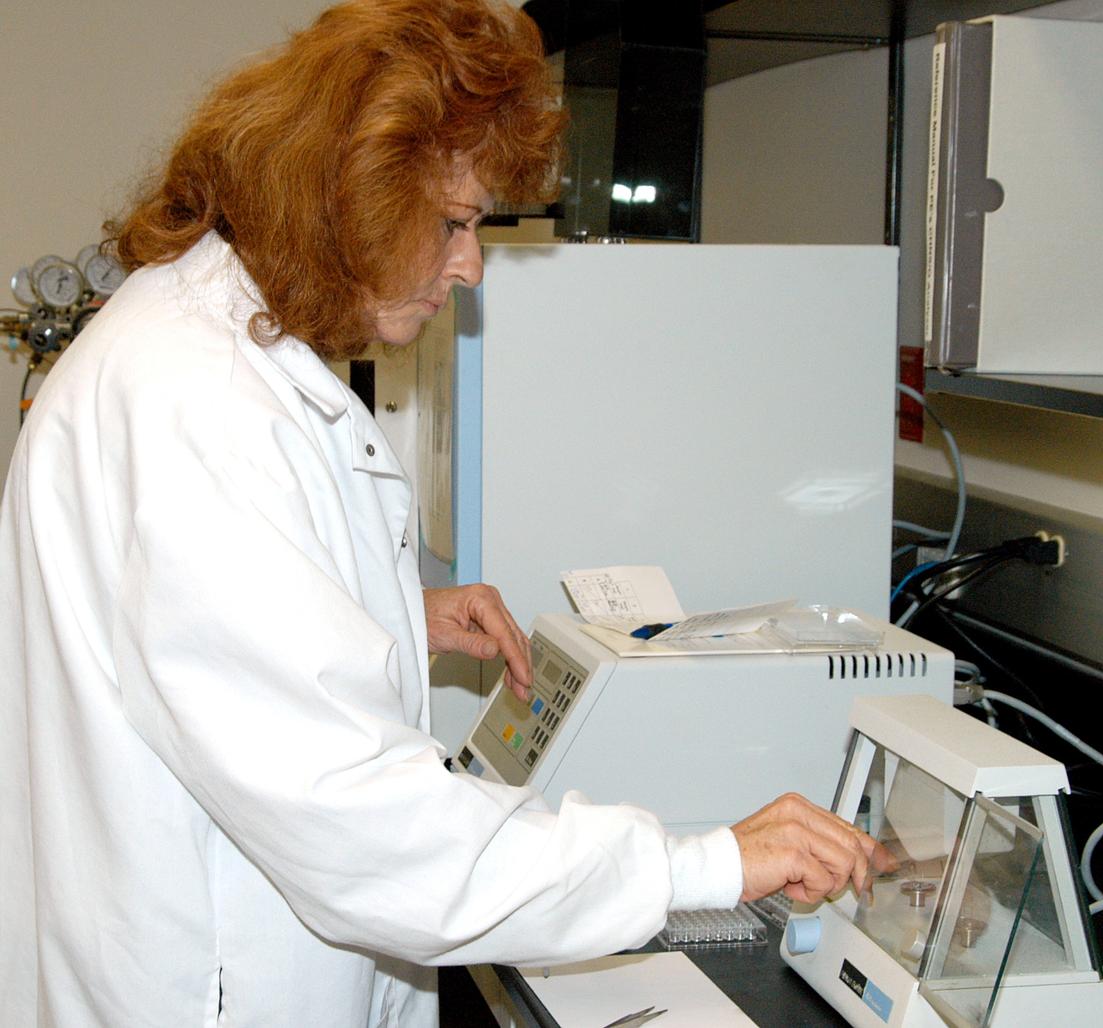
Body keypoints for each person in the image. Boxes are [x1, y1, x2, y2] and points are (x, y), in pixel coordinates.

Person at [0, 1, 889, 1025]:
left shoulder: (202, 350)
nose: (468, 269)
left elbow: (201, 644)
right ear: (350, 198)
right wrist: (703, 860)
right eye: (455, 223)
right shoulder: (197, 408)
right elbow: (366, 828)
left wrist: (388, 616)